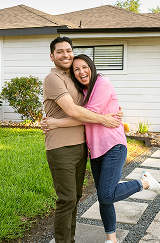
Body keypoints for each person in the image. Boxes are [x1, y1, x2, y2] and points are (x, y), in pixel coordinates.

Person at [42, 54, 160, 243]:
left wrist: (56, 123)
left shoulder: (102, 82)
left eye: (84, 67)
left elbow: (88, 114)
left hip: (113, 146)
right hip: (95, 150)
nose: (81, 72)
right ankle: (111, 239)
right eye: (76, 70)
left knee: (106, 195)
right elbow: (85, 113)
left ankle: (144, 183)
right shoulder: (83, 91)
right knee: (104, 196)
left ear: (91, 66)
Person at [43, 36, 123, 243]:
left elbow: (91, 108)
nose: (65, 55)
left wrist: (112, 113)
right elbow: (72, 110)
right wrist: (104, 119)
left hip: (82, 146)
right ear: (52, 57)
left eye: (68, 50)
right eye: (59, 52)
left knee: (75, 198)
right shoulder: (54, 79)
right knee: (67, 199)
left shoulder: (76, 79)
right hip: (61, 146)